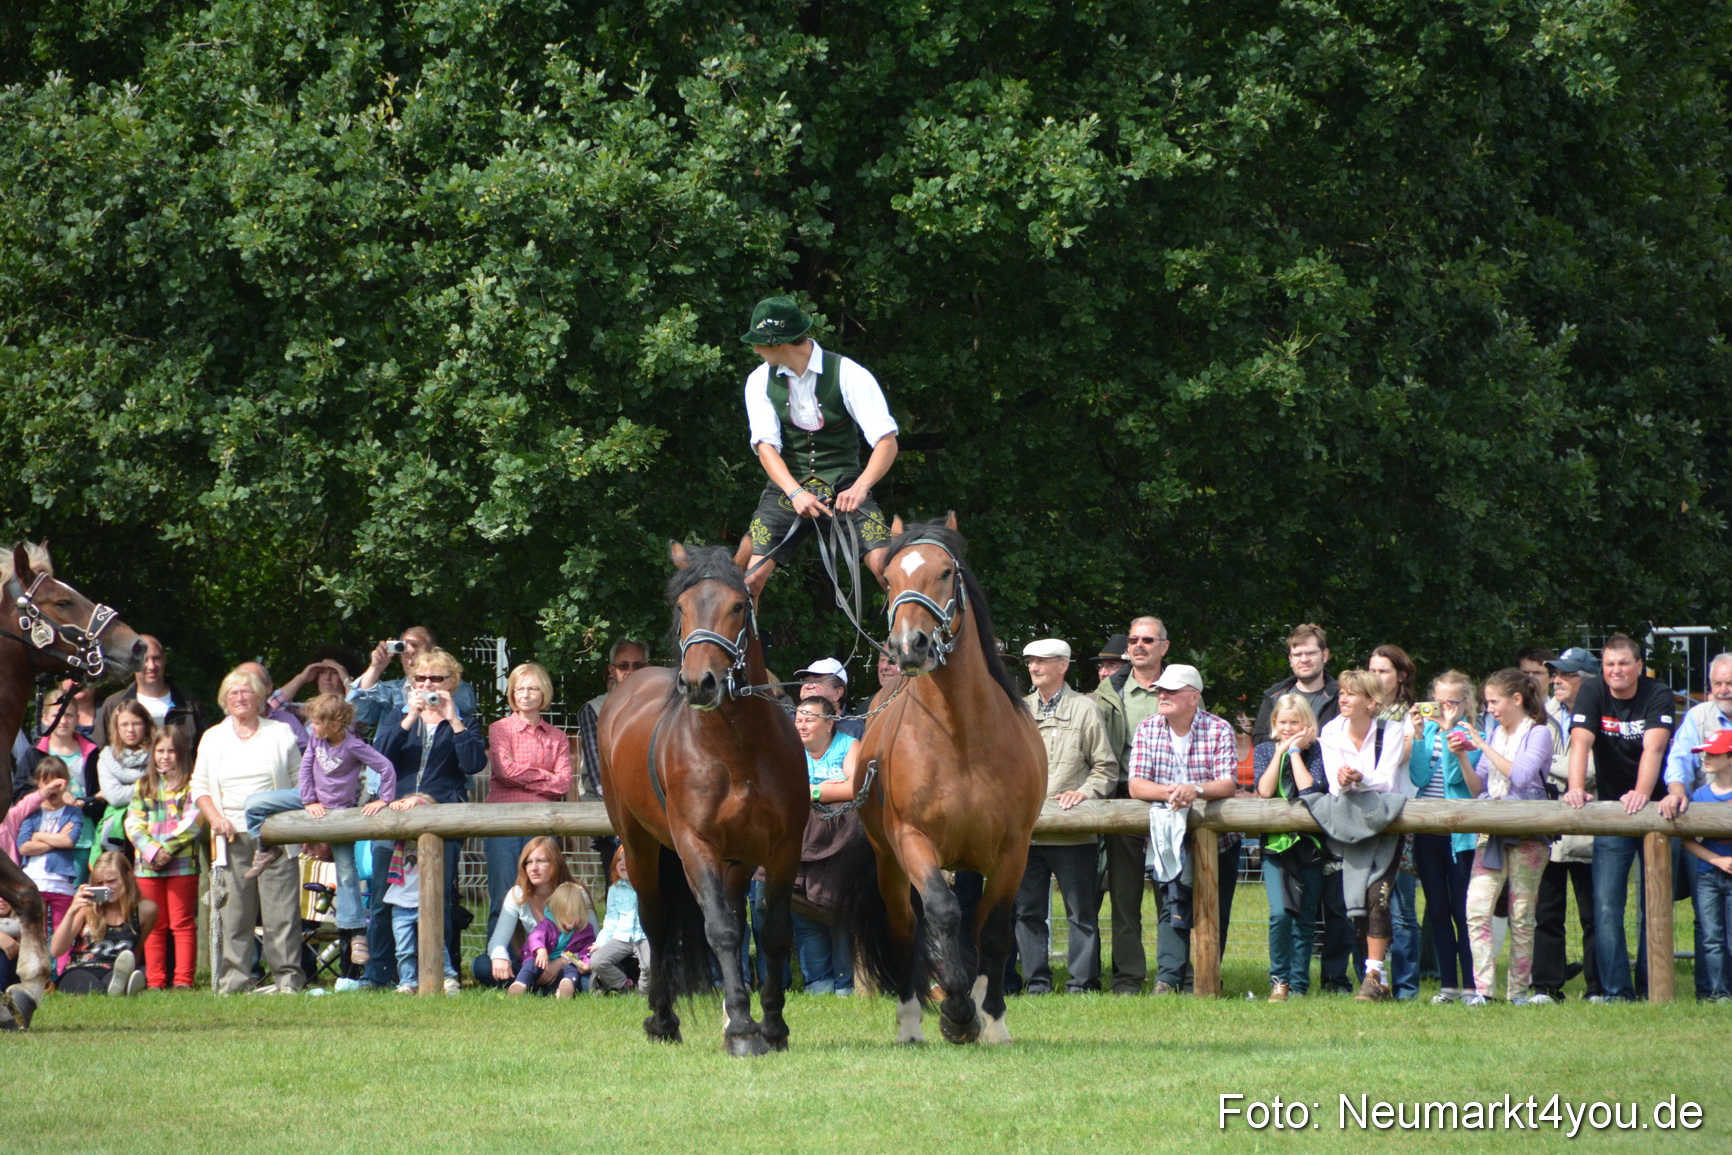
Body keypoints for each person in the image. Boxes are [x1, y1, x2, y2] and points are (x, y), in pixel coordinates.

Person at [737, 295, 899, 597]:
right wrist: (795, 492)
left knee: (888, 571)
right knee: (749, 581)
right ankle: (745, 645)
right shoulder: (758, 380)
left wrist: (861, 487)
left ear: (780, 343)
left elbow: (886, 442)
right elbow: (765, 446)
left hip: (845, 487)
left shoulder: (849, 373)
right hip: (787, 488)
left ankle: (909, 644)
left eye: (760, 343)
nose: (755, 349)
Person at [240, 694, 395, 974]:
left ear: (335, 724)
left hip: (339, 813)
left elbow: (385, 767)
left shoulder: (353, 745)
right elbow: (307, 767)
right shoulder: (316, 739)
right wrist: (309, 799)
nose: (311, 727)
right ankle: (265, 847)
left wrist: (383, 798)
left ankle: (356, 932)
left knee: (347, 871)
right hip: (309, 799)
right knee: (253, 804)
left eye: (316, 722)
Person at [1561, 634, 1677, 1002]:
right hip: (1611, 808)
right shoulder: (1592, 691)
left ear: (1639, 666)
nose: (1616, 671)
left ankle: (1650, 985)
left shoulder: (1657, 692)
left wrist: (1643, 792)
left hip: (1656, 809)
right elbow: (1580, 742)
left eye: (1624, 663)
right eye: (1610, 664)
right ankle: (1614, 990)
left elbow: (1654, 747)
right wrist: (1576, 789)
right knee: (1607, 903)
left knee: (1653, 902)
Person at [365, 649, 485, 988]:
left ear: (453, 683)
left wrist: (453, 719)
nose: (428, 685)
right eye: (421, 679)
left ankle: (442, 974)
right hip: (394, 818)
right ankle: (380, 975)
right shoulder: (397, 715)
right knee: (383, 900)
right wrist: (408, 717)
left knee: (439, 899)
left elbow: (473, 763)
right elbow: (380, 757)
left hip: (441, 817)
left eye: (437, 679)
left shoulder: (465, 720)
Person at [1125, 664, 1241, 995]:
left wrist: (1195, 790)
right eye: (1160, 689)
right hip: (1166, 837)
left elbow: (1227, 783)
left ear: (1194, 697)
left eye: (1171, 691)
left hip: (1219, 841)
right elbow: (1136, 784)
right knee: (1170, 905)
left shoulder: (1219, 729)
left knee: (1217, 908)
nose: (1162, 695)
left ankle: (1206, 977)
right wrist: (1172, 793)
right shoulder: (1147, 729)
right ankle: (1167, 979)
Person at [191, 665, 306, 995]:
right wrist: (215, 818)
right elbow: (199, 787)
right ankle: (234, 983)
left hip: (275, 836)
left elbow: (300, 784)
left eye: (247, 691)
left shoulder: (281, 733)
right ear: (224, 701)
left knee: (281, 915)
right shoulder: (213, 737)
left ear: (261, 699)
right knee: (234, 916)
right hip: (231, 837)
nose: (240, 697)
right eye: (233, 692)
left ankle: (288, 982)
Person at [1450, 668, 1555, 1005]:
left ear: (1517, 699)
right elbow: (1478, 787)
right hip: (1492, 832)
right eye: (1486, 702)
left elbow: (1522, 777)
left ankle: (1518, 994)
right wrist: (1464, 756)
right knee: (1476, 908)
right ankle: (1483, 991)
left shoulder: (1539, 733)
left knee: (1522, 914)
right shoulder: (1494, 734)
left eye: (1494, 701)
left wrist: (1480, 743)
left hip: (1528, 832)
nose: (1489, 708)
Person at [1017, 639, 1116, 994]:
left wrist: (1084, 793)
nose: (1034, 666)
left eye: (1042, 661)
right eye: (1030, 661)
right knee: (1027, 912)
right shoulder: (1020, 711)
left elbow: (1105, 767)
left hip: (1073, 831)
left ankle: (1083, 984)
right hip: (1027, 833)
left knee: (1081, 913)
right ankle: (1037, 983)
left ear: (1063, 665)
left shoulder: (1085, 709)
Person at [1319, 668, 1415, 1001]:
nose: (1342, 698)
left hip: (1385, 822)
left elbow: (1386, 780)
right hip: (1350, 823)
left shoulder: (1392, 730)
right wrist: (1345, 779)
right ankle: (1377, 980)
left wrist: (1359, 776)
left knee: (1379, 896)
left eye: (1351, 694)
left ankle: (1374, 975)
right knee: (1356, 900)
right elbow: (1333, 783)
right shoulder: (1331, 730)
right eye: (1341, 692)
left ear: (1371, 702)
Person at [1093, 615, 1169, 994]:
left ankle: (1174, 976)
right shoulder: (1107, 692)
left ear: (1163, 647)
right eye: (1134, 640)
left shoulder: (1182, 687)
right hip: (1121, 799)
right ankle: (1128, 978)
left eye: (1148, 640)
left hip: (1172, 802)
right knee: (1124, 900)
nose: (1139, 645)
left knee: (1172, 894)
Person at [1405, 670, 1481, 1005]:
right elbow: (1419, 776)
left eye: (1452, 701)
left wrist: (1451, 732)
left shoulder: (1470, 734)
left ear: (1466, 703)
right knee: (1436, 910)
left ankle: (1471, 985)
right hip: (1428, 831)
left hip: (1460, 833)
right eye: (1439, 701)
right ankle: (1447, 984)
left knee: (1463, 912)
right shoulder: (1429, 729)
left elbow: (1456, 777)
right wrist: (1421, 735)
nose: (1444, 707)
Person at [484, 662, 573, 940]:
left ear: (544, 693)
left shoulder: (558, 737)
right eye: (519, 688)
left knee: (544, 892)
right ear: (512, 693)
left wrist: (525, 777)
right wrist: (543, 776)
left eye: (533, 688)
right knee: (504, 894)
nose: (525, 694)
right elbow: (504, 771)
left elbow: (564, 782)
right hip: (503, 822)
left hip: (541, 822)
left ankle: (545, 958)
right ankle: (497, 961)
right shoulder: (500, 729)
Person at [1531, 647, 1601, 1001]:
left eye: (1567, 675)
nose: (1557, 680)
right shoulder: (1543, 713)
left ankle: (1597, 987)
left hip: (1592, 829)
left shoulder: (1603, 711)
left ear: (1587, 681)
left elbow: (1591, 770)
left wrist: (1547, 761)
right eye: (1556, 673)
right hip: (1549, 827)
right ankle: (1545, 986)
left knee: (1594, 913)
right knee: (1546, 911)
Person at [1664, 651, 1732, 1001]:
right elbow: (1678, 760)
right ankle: (1711, 990)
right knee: (1708, 926)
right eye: (1717, 683)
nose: (1723, 689)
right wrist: (1677, 791)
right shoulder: (1698, 716)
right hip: (1707, 842)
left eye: (1730, 683)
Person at [1254, 694, 1326, 1000]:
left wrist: (1296, 752)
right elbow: (1265, 790)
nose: (1287, 727)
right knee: (1280, 914)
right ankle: (1278, 980)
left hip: (1309, 845)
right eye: (1282, 722)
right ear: (1274, 724)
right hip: (1276, 845)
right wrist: (1280, 753)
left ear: (1307, 724)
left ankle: (1298, 985)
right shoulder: (1264, 750)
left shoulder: (1319, 751)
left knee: (1305, 917)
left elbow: (1309, 788)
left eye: (1294, 722)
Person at [125, 727, 204, 989]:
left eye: (172, 750)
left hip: (182, 864)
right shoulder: (142, 785)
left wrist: (166, 849)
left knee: (181, 923)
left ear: (181, 753)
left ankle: (183, 980)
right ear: (153, 753)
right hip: (147, 866)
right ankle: (155, 980)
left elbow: (194, 822)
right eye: (160, 750)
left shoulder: (192, 785)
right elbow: (134, 823)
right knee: (154, 923)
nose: (166, 756)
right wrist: (152, 851)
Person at [790, 697, 858, 994]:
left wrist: (809, 791)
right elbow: (781, 790)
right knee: (802, 910)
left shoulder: (850, 746)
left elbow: (855, 788)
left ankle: (845, 984)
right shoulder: (788, 750)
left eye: (809, 719)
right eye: (798, 719)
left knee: (841, 910)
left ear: (830, 723)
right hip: (798, 842)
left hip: (841, 843)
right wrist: (831, 790)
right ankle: (817, 983)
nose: (801, 725)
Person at [1368, 644, 1422, 1002]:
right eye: (1371, 670)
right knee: (1369, 903)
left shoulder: (1412, 716)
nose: (1376, 677)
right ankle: (1373, 979)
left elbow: (1402, 758)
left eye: (1384, 671)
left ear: (1401, 675)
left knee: (1401, 907)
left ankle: (1406, 986)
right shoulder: (1361, 712)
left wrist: (1412, 732)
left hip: (1402, 813)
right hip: (1368, 816)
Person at [472, 836, 579, 988]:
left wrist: (560, 962)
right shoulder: (517, 894)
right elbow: (498, 941)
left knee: (586, 980)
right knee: (481, 965)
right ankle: (533, 986)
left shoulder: (575, 893)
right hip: (531, 965)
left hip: (566, 967)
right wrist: (500, 958)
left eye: (541, 861)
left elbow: (591, 946)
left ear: (556, 863)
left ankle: (537, 987)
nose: (533, 868)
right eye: (528, 862)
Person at [379, 792, 460, 994]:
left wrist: (417, 801)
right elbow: (392, 820)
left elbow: (431, 810)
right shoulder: (402, 841)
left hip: (425, 901)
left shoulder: (435, 841)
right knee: (404, 950)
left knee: (436, 944)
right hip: (400, 904)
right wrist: (398, 806)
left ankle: (448, 978)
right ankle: (409, 982)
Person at [48, 850, 156, 995]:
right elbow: (56, 950)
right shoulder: (88, 906)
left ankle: (121, 984)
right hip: (80, 969)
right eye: (100, 883)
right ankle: (118, 989)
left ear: (128, 877)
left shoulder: (146, 910)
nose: (106, 887)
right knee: (91, 987)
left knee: (114, 981)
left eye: (112, 881)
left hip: (114, 970)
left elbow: (137, 950)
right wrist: (72, 910)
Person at [348, 626, 477, 741]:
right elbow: (357, 715)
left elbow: (463, 710)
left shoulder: (456, 687)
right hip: (390, 766)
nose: (409, 650)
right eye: (403, 646)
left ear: (433, 651)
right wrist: (375, 668)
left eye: (416, 645)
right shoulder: (390, 690)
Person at [1681, 729, 1732, 1001]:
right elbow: (1686, 839)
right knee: (1712, 939)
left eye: (1713, 753)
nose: (1705, 758)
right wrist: (1718, 860)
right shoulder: (1700, 796)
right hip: (1708, 875)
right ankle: (1717, 993)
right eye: (1704, 753)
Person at [16, 757, 82, 960]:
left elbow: (69, 841)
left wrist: (39, 836)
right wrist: (57, 837)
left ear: (66, 783)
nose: (53, 790)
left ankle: (62, 975)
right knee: (37, 934)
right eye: (47, 783)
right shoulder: (32, 813)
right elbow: (24, 847)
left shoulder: (73, 812)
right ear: (38, 784)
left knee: (64, 932)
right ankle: (41, 976)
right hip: (34, 882)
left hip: (61, 884)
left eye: (58, 783)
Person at [92, 635, 207, 749]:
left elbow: (206, 751)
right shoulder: (114, 705)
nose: (151, 666)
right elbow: (99, 753)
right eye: (144, 660)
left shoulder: (190, 704)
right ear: (131, 663)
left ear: (165, 659)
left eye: (156, 658)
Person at [1252, 624, 1339, 743]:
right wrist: (1297, 743)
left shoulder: (1341, 696)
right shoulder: (1274, 695)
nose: (1304, 659)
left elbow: (1346, 741)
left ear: (1324, 655)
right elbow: (1259, 739)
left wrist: (1306, 744)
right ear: (1290, 660)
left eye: (1310, 653)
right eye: (1297, 655)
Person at [508, 880, 596, 998]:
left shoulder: (584, 930)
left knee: (572, 969)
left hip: (565, 963)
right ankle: (520, 984)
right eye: (566, 917)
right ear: (557, 913)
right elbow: (536, 936)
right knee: (531, 964)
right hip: (542, 960)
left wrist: (586, 963)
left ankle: (565, 988)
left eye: (576, 916)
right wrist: (540, 950)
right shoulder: (548, 924)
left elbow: (587, 949)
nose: (572, 922)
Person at [14, 687, 98, 808]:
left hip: (85, 822)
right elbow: (19, 795)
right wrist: (48, 797)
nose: (63, 721)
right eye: (56, 716)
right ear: (45, 719)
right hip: (45, 824)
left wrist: (83, 803)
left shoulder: (92, 751)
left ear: (77, 719)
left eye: (69, 715)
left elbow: (101, 794)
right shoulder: (34, 754)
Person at [92, 699, 155, 858]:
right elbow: (115, 797)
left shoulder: (159, 754)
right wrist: (148, 787)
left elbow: (164, 789)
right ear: (116, 728)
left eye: (136, 723)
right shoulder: (107, 758)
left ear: (146, 725)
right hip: (117, 836)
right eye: (124, 725)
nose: (131, 730)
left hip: (154, 827)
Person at [589, 847, 649, 994]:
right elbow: (611, 919)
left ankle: (643, 992)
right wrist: (601, 942)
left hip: (644, 937)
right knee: (597, 961)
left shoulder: (648, 886)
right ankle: (625, 986)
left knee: (649, 966)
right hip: (622, 937)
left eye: (627, 859)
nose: (622, 864)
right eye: (619, 860)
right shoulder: (615, 889)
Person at [795, 659, 862, 741]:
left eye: (817, 681)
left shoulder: (855, 729)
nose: (807, 686)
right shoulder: (787, 721)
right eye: (806, 681)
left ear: (837, 693)